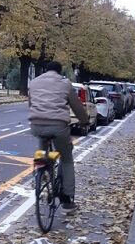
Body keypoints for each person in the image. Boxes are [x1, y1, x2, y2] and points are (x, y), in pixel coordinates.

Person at [28, 61, 89, 214]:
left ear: (46, 70)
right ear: (59, 71)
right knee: (67, 158)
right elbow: (76, 106)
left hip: (36, 124)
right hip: (58, 125)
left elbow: (31, 104)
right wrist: (84, 122)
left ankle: (40, 174)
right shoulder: (65, 84)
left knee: (43, 148)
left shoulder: (34, 83)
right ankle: (67, 200)